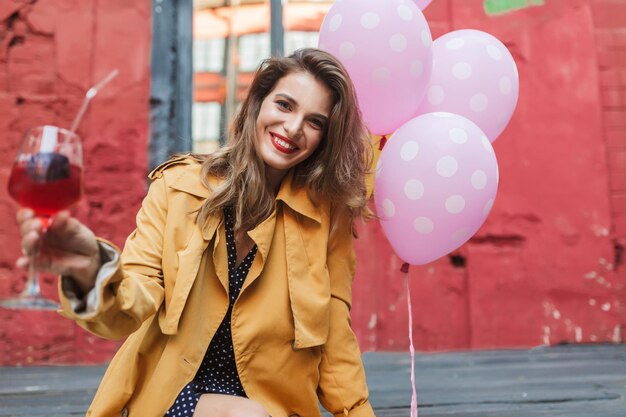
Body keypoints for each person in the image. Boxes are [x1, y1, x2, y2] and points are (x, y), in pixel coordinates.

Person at [16, 48, 375, 417]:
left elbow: (336, 345)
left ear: (323, 139)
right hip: (174, 396)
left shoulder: (327, 222)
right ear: (257, 103)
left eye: (314, 122)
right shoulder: (177, 188)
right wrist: (91, 269)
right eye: (284, 105)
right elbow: (129, 305)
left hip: (270, 406)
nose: (294, 127)